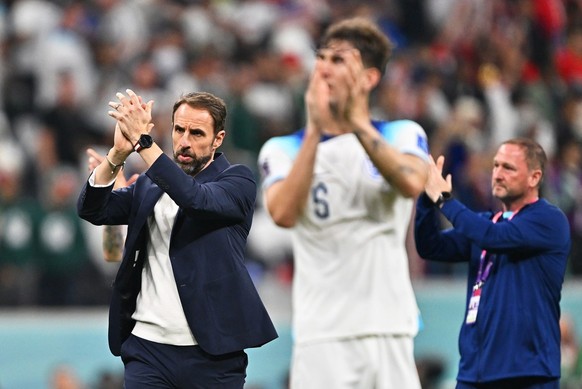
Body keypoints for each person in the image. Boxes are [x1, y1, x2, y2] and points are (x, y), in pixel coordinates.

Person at [258, 17, 429, 388]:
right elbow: (283, 213)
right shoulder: (283, 148)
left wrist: (357, 123)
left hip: (388, 327)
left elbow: (413, 182)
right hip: (321, 335)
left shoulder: (401, 133)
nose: (324, 68)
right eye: (322, 58)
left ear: (368, 78)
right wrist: (317, 129)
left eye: (339, 61)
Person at [77, 89, 278, 388]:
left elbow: (194, 199)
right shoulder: (148, 184)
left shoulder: (238, 181)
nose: (185, 141)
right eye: (179, 129)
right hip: (148, 350)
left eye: (197, 133)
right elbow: (93, 209)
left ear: (218, 139)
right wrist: (118, 154)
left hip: (212, 354)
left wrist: (143, 143)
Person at [414, 138, 571, 389]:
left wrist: (445, 199)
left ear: (534, 177)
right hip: (474, 373)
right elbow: (430, 246)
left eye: (508, 168)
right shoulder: (487, 222)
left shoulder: (549, 221)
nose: (497, 174)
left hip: (527, 374)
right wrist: (426, 197)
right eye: (496, 166)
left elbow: (494, 238)